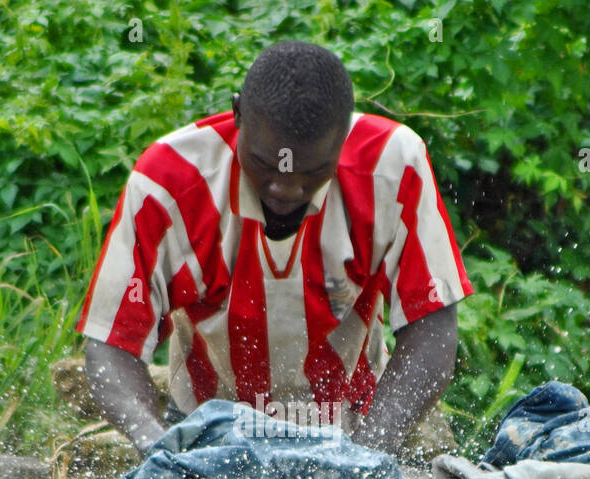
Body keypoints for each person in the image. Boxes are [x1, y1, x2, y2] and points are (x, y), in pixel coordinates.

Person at [77, 40, 472, 456]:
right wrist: (157, 449)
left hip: (353, 425)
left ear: (344, 138)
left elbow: (432, 328)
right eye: (266, 164)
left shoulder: (393, 166)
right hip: (206, 433)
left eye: (313, 172)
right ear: (238, 115)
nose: (285, 189)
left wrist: (367, 455)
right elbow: (111, 343)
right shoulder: (168, 182)